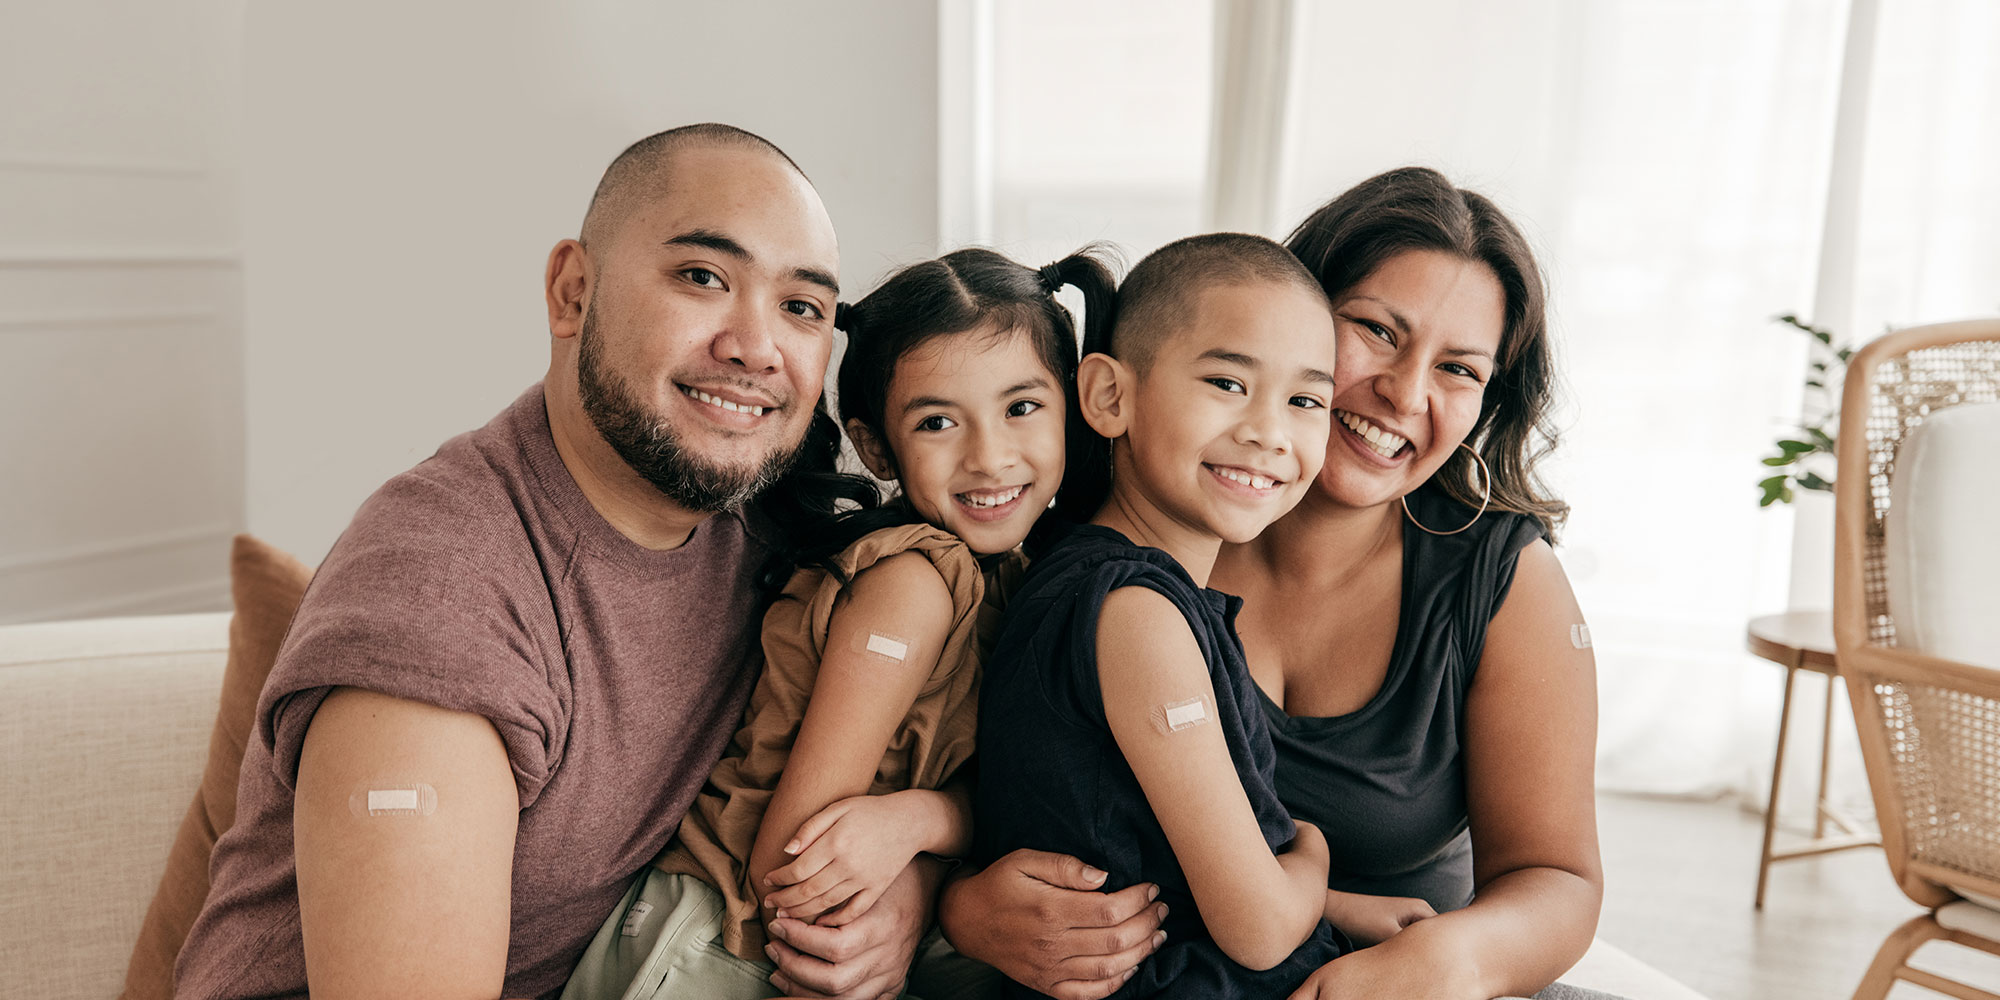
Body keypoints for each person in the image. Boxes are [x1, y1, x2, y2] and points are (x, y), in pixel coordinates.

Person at [175, 124, 939, 1000]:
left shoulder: (770, 527)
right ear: (573, 292)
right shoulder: (443, 594)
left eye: (802, 307)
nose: (757, 347)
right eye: (703, 277)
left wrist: (914, 888)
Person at [938, 167, 1603, 1000]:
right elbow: (992, 762)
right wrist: (961, 905)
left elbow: (1559, 879)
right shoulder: (1101, 536)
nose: (1405, 393)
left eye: (1460, 370)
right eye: (1375, 331)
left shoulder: (1504, 580)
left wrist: (1450, 959)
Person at [559, 244, 1117, 1000]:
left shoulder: (1020, 575)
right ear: (875, 445)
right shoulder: (915, 586)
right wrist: (927, 824)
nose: (990, 457)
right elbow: (791, 866)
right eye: (938, 423)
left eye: (1021, 408)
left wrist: (926, 822)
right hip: (718, 949)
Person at [972, 232, 1352, 999]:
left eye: (1305, 400)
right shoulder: (1138, 614)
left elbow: (1167, 857)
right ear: (1111, 396)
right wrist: (1314, 856)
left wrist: (1352, 910)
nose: (1269, 432)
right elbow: (1257, 931)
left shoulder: (1125, 585)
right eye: (1227, 383)